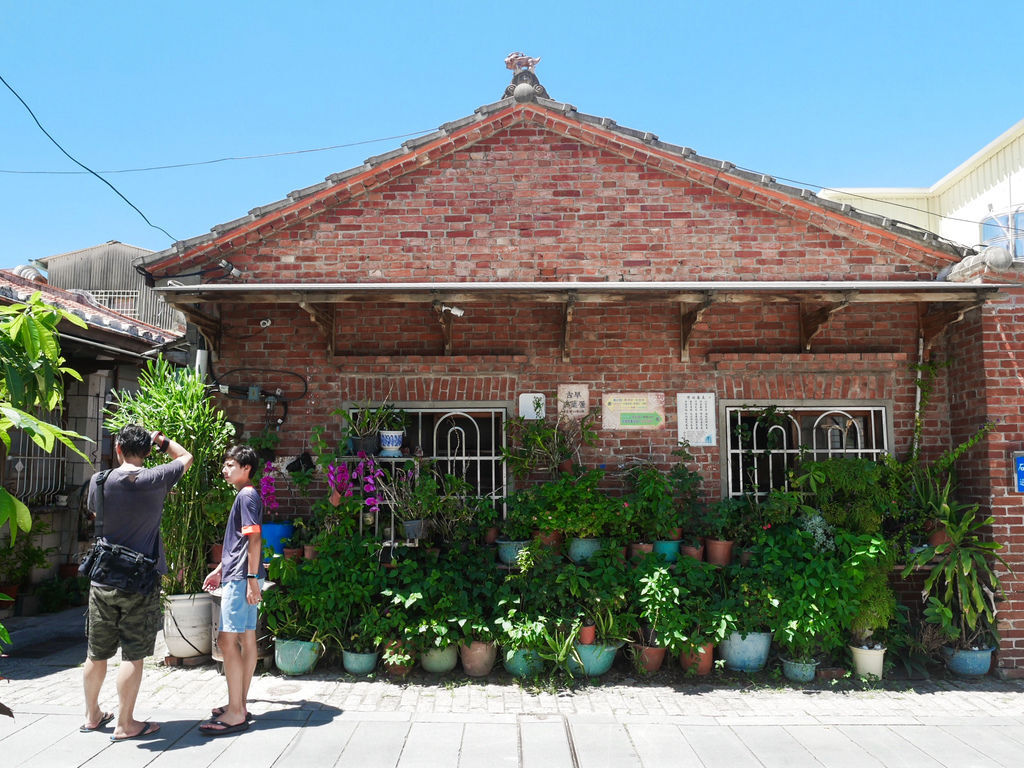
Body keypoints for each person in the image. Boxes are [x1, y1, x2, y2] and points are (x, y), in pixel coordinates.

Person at [82, 424, 193, 742]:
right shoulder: (156, 478)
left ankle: (92, 716)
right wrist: (162, 440)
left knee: (96, 652)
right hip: (139, 580)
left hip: (102, 577)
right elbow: (186, 456)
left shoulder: (99, 481)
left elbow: (94, 513)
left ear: (117, 449)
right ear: (146, 452)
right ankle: (126, 723)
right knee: (132, 654)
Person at [200, 444, 265, 736]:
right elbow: (240, 544)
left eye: (230, 465)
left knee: (227, 641)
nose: (225, 470)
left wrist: (250, 578)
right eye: (225, 465)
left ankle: (236, 710)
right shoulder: (246, 495)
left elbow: (254, 539)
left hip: (242, 578)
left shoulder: (247, 495)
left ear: (246, 468)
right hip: (240, 574)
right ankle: (238, 703)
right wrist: (220, 569)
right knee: (246, 637)